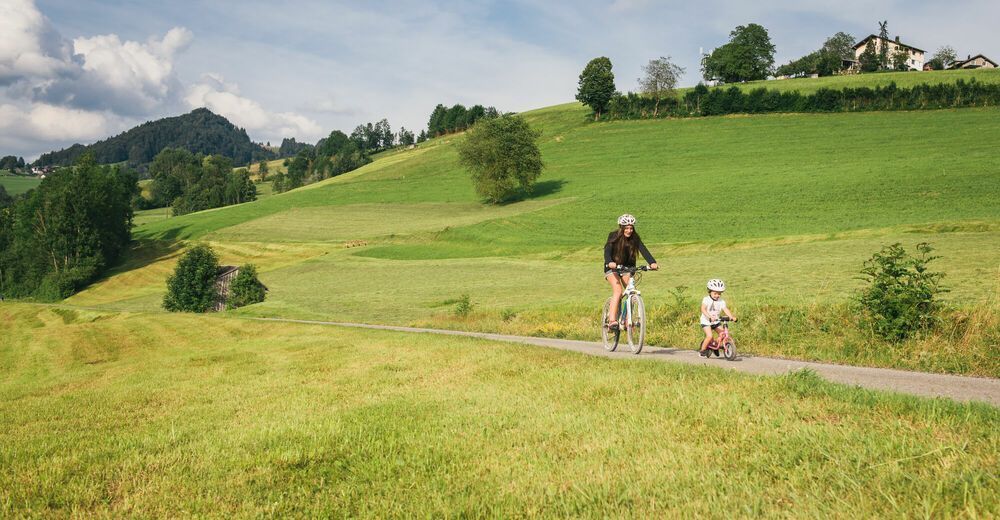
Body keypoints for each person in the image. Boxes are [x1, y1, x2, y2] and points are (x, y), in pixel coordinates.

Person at [604, 214, 658, 329]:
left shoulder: (635, 238)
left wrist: (652, 262)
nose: (629, 230)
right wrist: (609, 262)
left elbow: (643, 250)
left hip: (627, 267)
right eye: (627, 228)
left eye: (631, 228)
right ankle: (612, 320)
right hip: (612, 267)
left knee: (631, 290)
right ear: (621, 228)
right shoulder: (613, 236)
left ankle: (627, 319)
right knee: (618, 291)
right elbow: (607, 251)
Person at [699, 279, 736, 357]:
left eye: (719, 294)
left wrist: (731, 316)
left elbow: (725, 309)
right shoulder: (706, 299)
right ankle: (702, 350)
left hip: (716, 321)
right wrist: (709, 317)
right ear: (710, 291)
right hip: (706, 321)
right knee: (709, 336)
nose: (717, 295)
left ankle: (715, 345)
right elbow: (703, 309)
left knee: (723, 334)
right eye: (715, 293)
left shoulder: (721, 301)